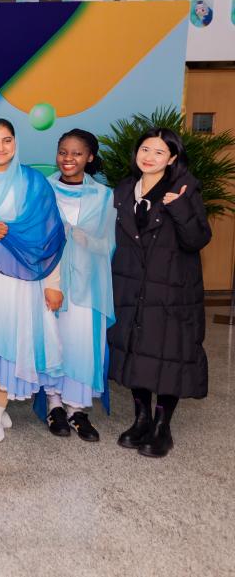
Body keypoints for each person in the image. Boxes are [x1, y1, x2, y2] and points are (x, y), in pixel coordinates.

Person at [0, 118, 67, 443]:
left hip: (20, 276)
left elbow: (50, 237)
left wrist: (53, 283)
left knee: (10, 340)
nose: (0, 147)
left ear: (15, 143)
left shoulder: (33, 183)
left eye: (7, 140)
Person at [109, 128, 210, 458]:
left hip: (171, 288)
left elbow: (197, 239)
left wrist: (179, 207)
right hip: (131, 284)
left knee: (169, 354)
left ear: (172, 158)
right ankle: (141, 419)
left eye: (158, 152)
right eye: (145, 149)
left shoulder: (183, 189)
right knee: (137, 351)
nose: (149, 157)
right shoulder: (125, 189)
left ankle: (162, 427)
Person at [40, 129, 116, 441]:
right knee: (53, 339)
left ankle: (77, 408)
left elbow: (109, 243)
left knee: (83, 342)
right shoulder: (44, 189)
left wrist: (84, 237)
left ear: (90, 157)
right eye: (63, 152)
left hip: (88, 282)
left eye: (76, 153)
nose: (68, 158)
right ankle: (54, 404)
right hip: (51, 278)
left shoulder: (103, 195)